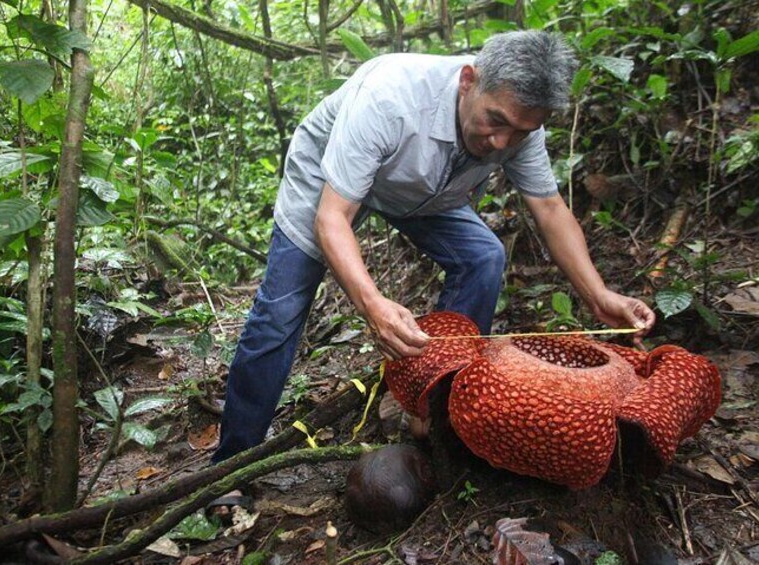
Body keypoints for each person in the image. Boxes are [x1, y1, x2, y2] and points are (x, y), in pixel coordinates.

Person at [211, 30, 656, 464]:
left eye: (520, 131)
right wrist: (373, 306)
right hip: (329, 181)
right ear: (468, 81)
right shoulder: (390, 99)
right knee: (279, 314)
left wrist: (598, 295)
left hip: (424, 187)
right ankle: (234, 461)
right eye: (495, 121)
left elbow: (550, 208)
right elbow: (332, 218)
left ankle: (435, 408)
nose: (502, 142)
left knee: (482, 257)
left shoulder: (518, 124)